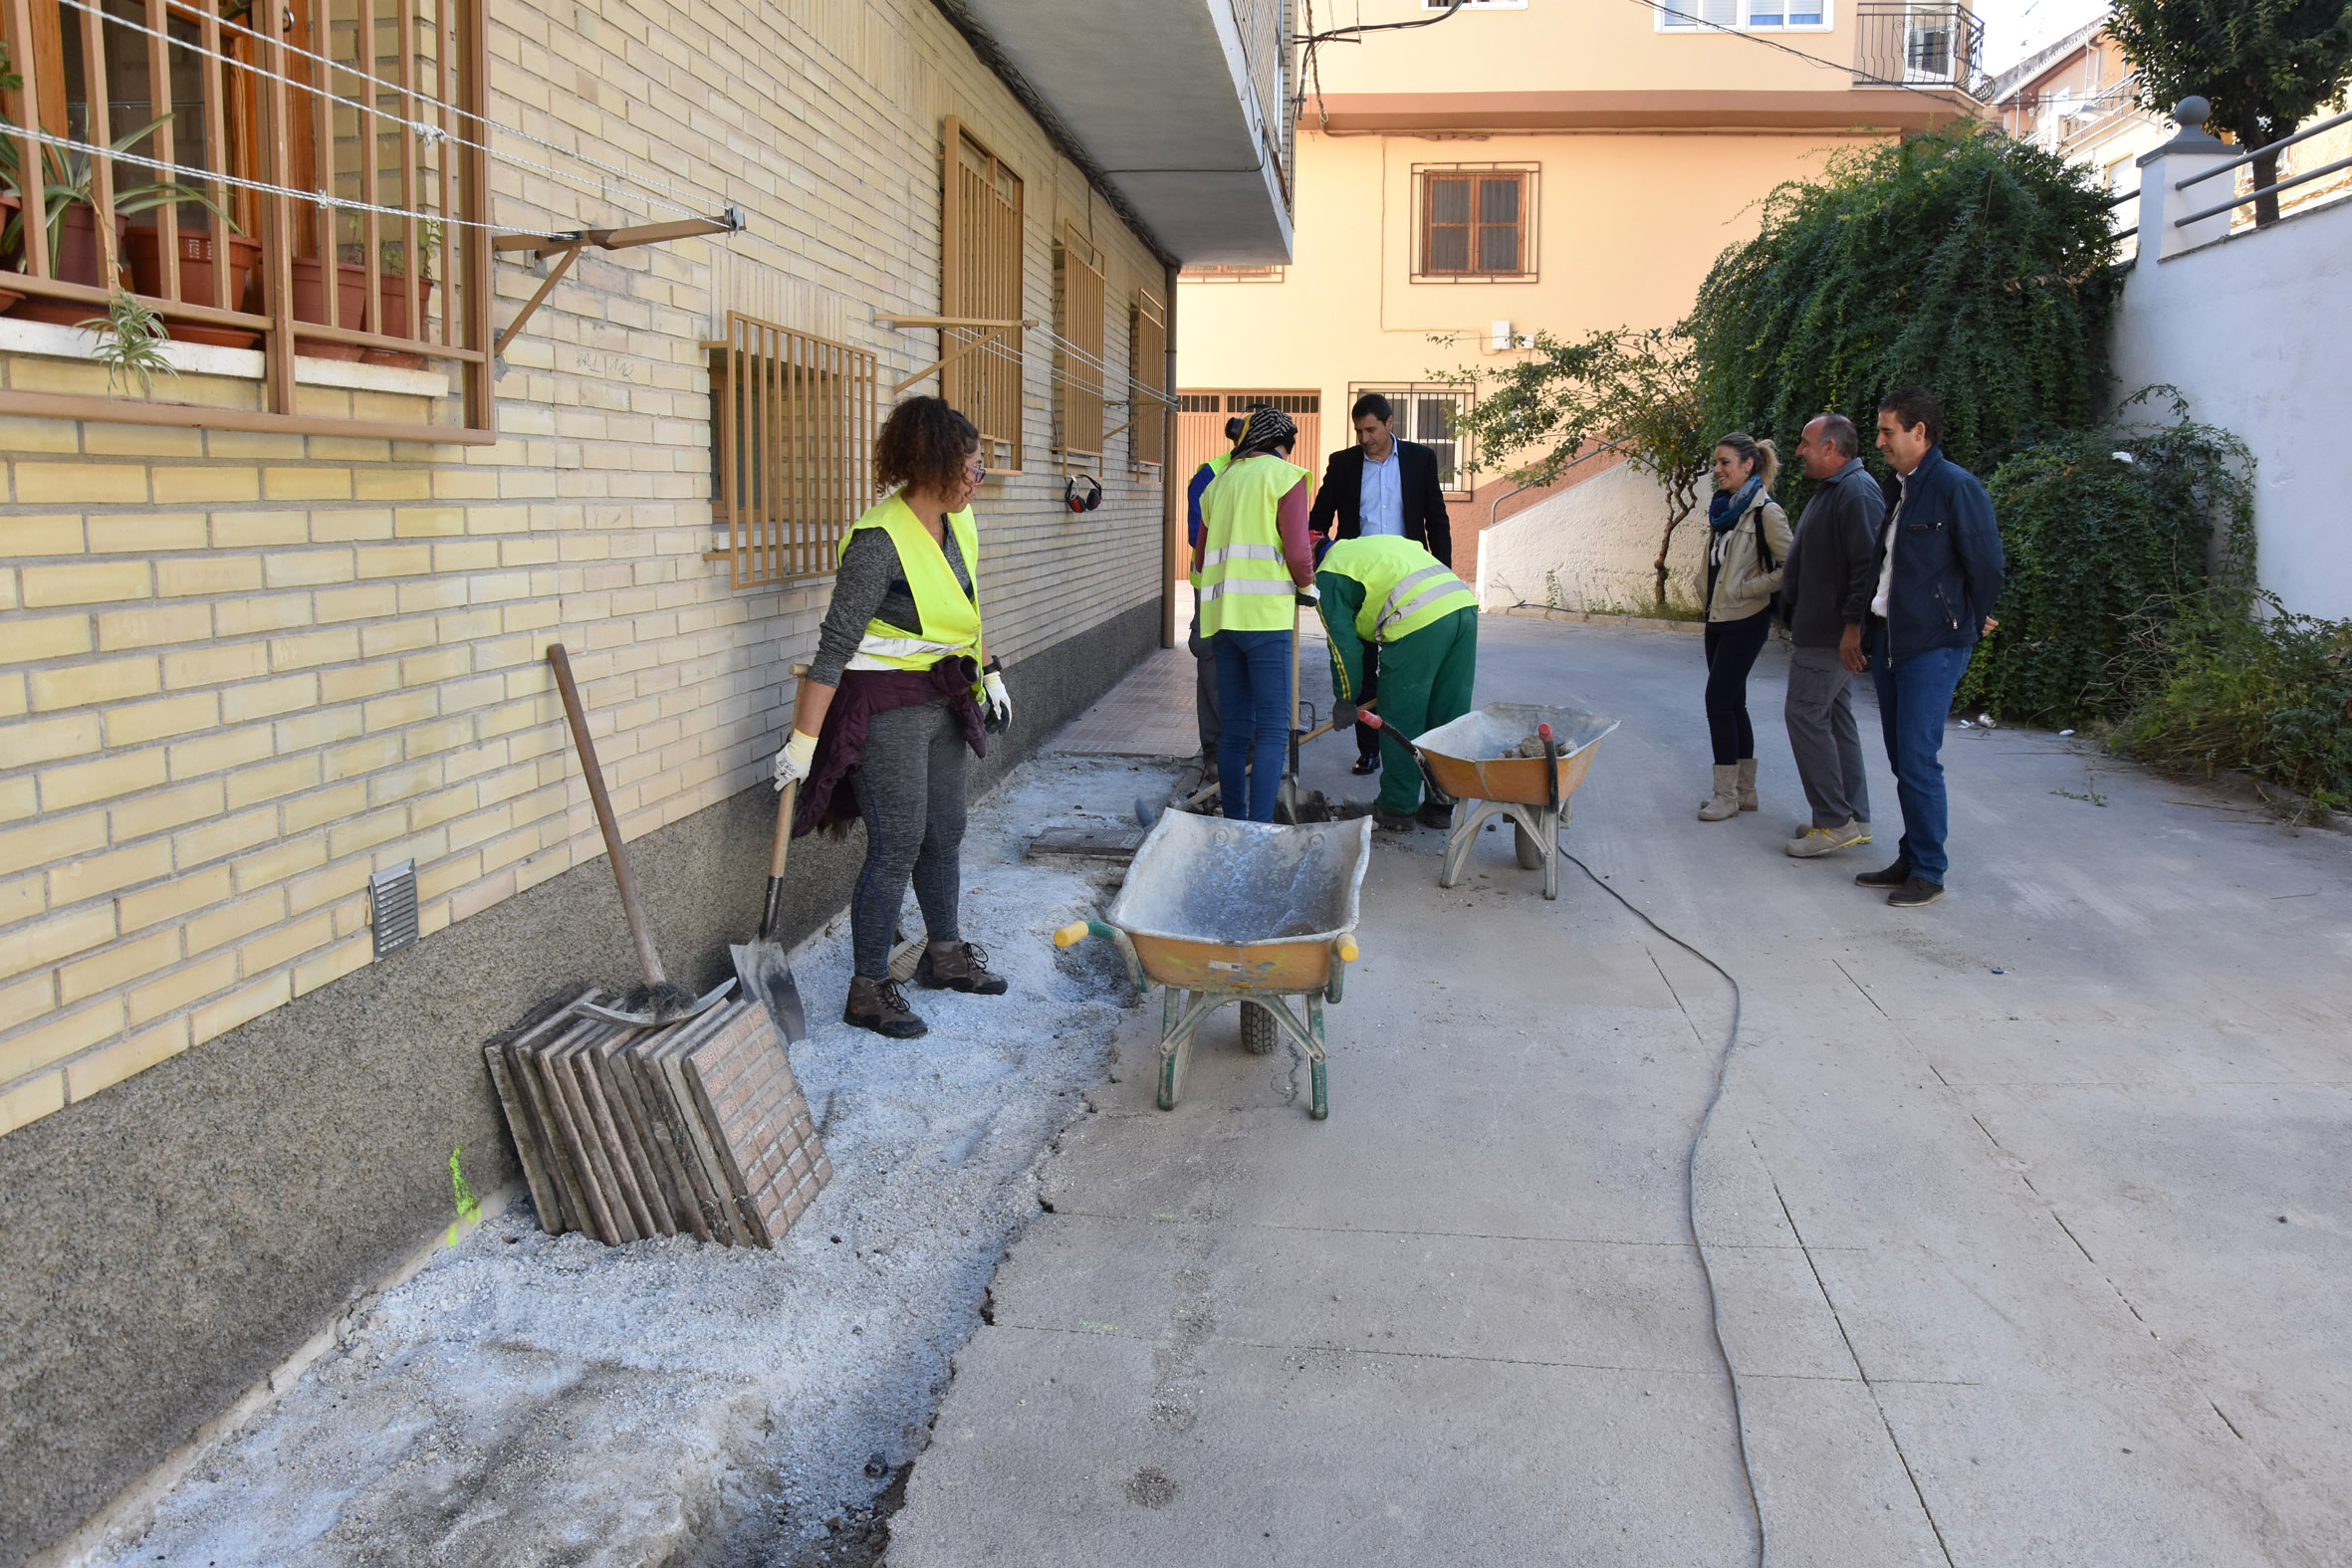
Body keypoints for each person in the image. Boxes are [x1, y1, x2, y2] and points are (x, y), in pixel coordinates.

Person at [771, 396, 1014, 1038]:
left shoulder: (960, 528)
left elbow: (967, 610)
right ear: (935, 465)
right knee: (898, 841)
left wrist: (989, 671)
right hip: (885, 709)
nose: (976, 480)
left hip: (944, 699)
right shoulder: (879, 542)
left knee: (947, 831)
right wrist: (803, 742)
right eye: (972, 467)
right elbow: (834, 648)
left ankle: (944, 955)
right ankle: (869, 986)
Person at [1857, 386, 2005, 908]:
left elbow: (1986, 564)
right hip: (1892, 639)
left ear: (1919, 432)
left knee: (1918, 758)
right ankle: (1911, 854)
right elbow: (1888, 567)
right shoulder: (1901, 487)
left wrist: (1965, 617)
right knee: (1903, 759)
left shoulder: (1955, 486)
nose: (1878, 441)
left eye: (1886, 431)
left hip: (1933, 644)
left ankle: (1930, 871)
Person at [1308, 393, 1457, 777]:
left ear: (1391, 423)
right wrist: (1321, 558)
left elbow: (1436, 522)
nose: (1365, 438)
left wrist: (1444, 575)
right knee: (1363, 665)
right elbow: (1318, 520)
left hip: (1412, 580)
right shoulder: (1342, 465)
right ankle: (1369, 749)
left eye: (1371, 429)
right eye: (1359, 430)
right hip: (1362, 583)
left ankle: (1408, 749)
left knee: (1405, 669)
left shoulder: (1420, 460)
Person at [1197, 405, 1317, 821]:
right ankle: (1259, 829)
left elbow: (1199, 562)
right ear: (1280, 445)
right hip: (1266, 620)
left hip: (1223, 622)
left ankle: (1235, 822)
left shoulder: (1219, 483)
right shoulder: (1284, 477)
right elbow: (1300, 553)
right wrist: (1308, 587)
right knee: (1271, 732)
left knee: (1233, 731)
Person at [1316, 535, 1478, 831]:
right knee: (1446, 714)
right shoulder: (1364, 548)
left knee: (1402, 715)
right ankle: (1440, 805)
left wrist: (1345, 698)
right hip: (1463, 608)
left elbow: (1344, 647)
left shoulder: (1328, 574)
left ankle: (1396, 808)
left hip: (1418, 621)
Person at [1779, 413, 1883, 858]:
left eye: (1806, 443)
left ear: (1831, 448)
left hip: (1830, 636)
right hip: (1823, 632)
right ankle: (1852, 817)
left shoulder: (1856, 493)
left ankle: (1833, 821)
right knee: (1835, 719)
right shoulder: (1838, 490)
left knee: (1804, 714)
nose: (1799, 450)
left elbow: (1869, 568)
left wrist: (1853, 629)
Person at [1696, 432, 1792, 822]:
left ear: (1748, 465)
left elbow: (1791, 567)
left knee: (1717, 701)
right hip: (1716, 619)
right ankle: (1745, 792)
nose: (1717, 470)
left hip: (1745, 620)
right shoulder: (1723, 511)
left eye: (1725, 463)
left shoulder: (1766, 512)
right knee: (1734, 702)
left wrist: (1748, 589)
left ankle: (1726, 795)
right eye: (1716, 463)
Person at [1182, 413, 1249, 779]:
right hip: (1212, 589)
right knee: (1210, 660)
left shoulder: (1273, 471)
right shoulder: (1210, 474)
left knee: (1247, 662)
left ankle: (1246, 745)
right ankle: (1215, 751)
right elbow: (1198, 536)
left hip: (1255, 591)